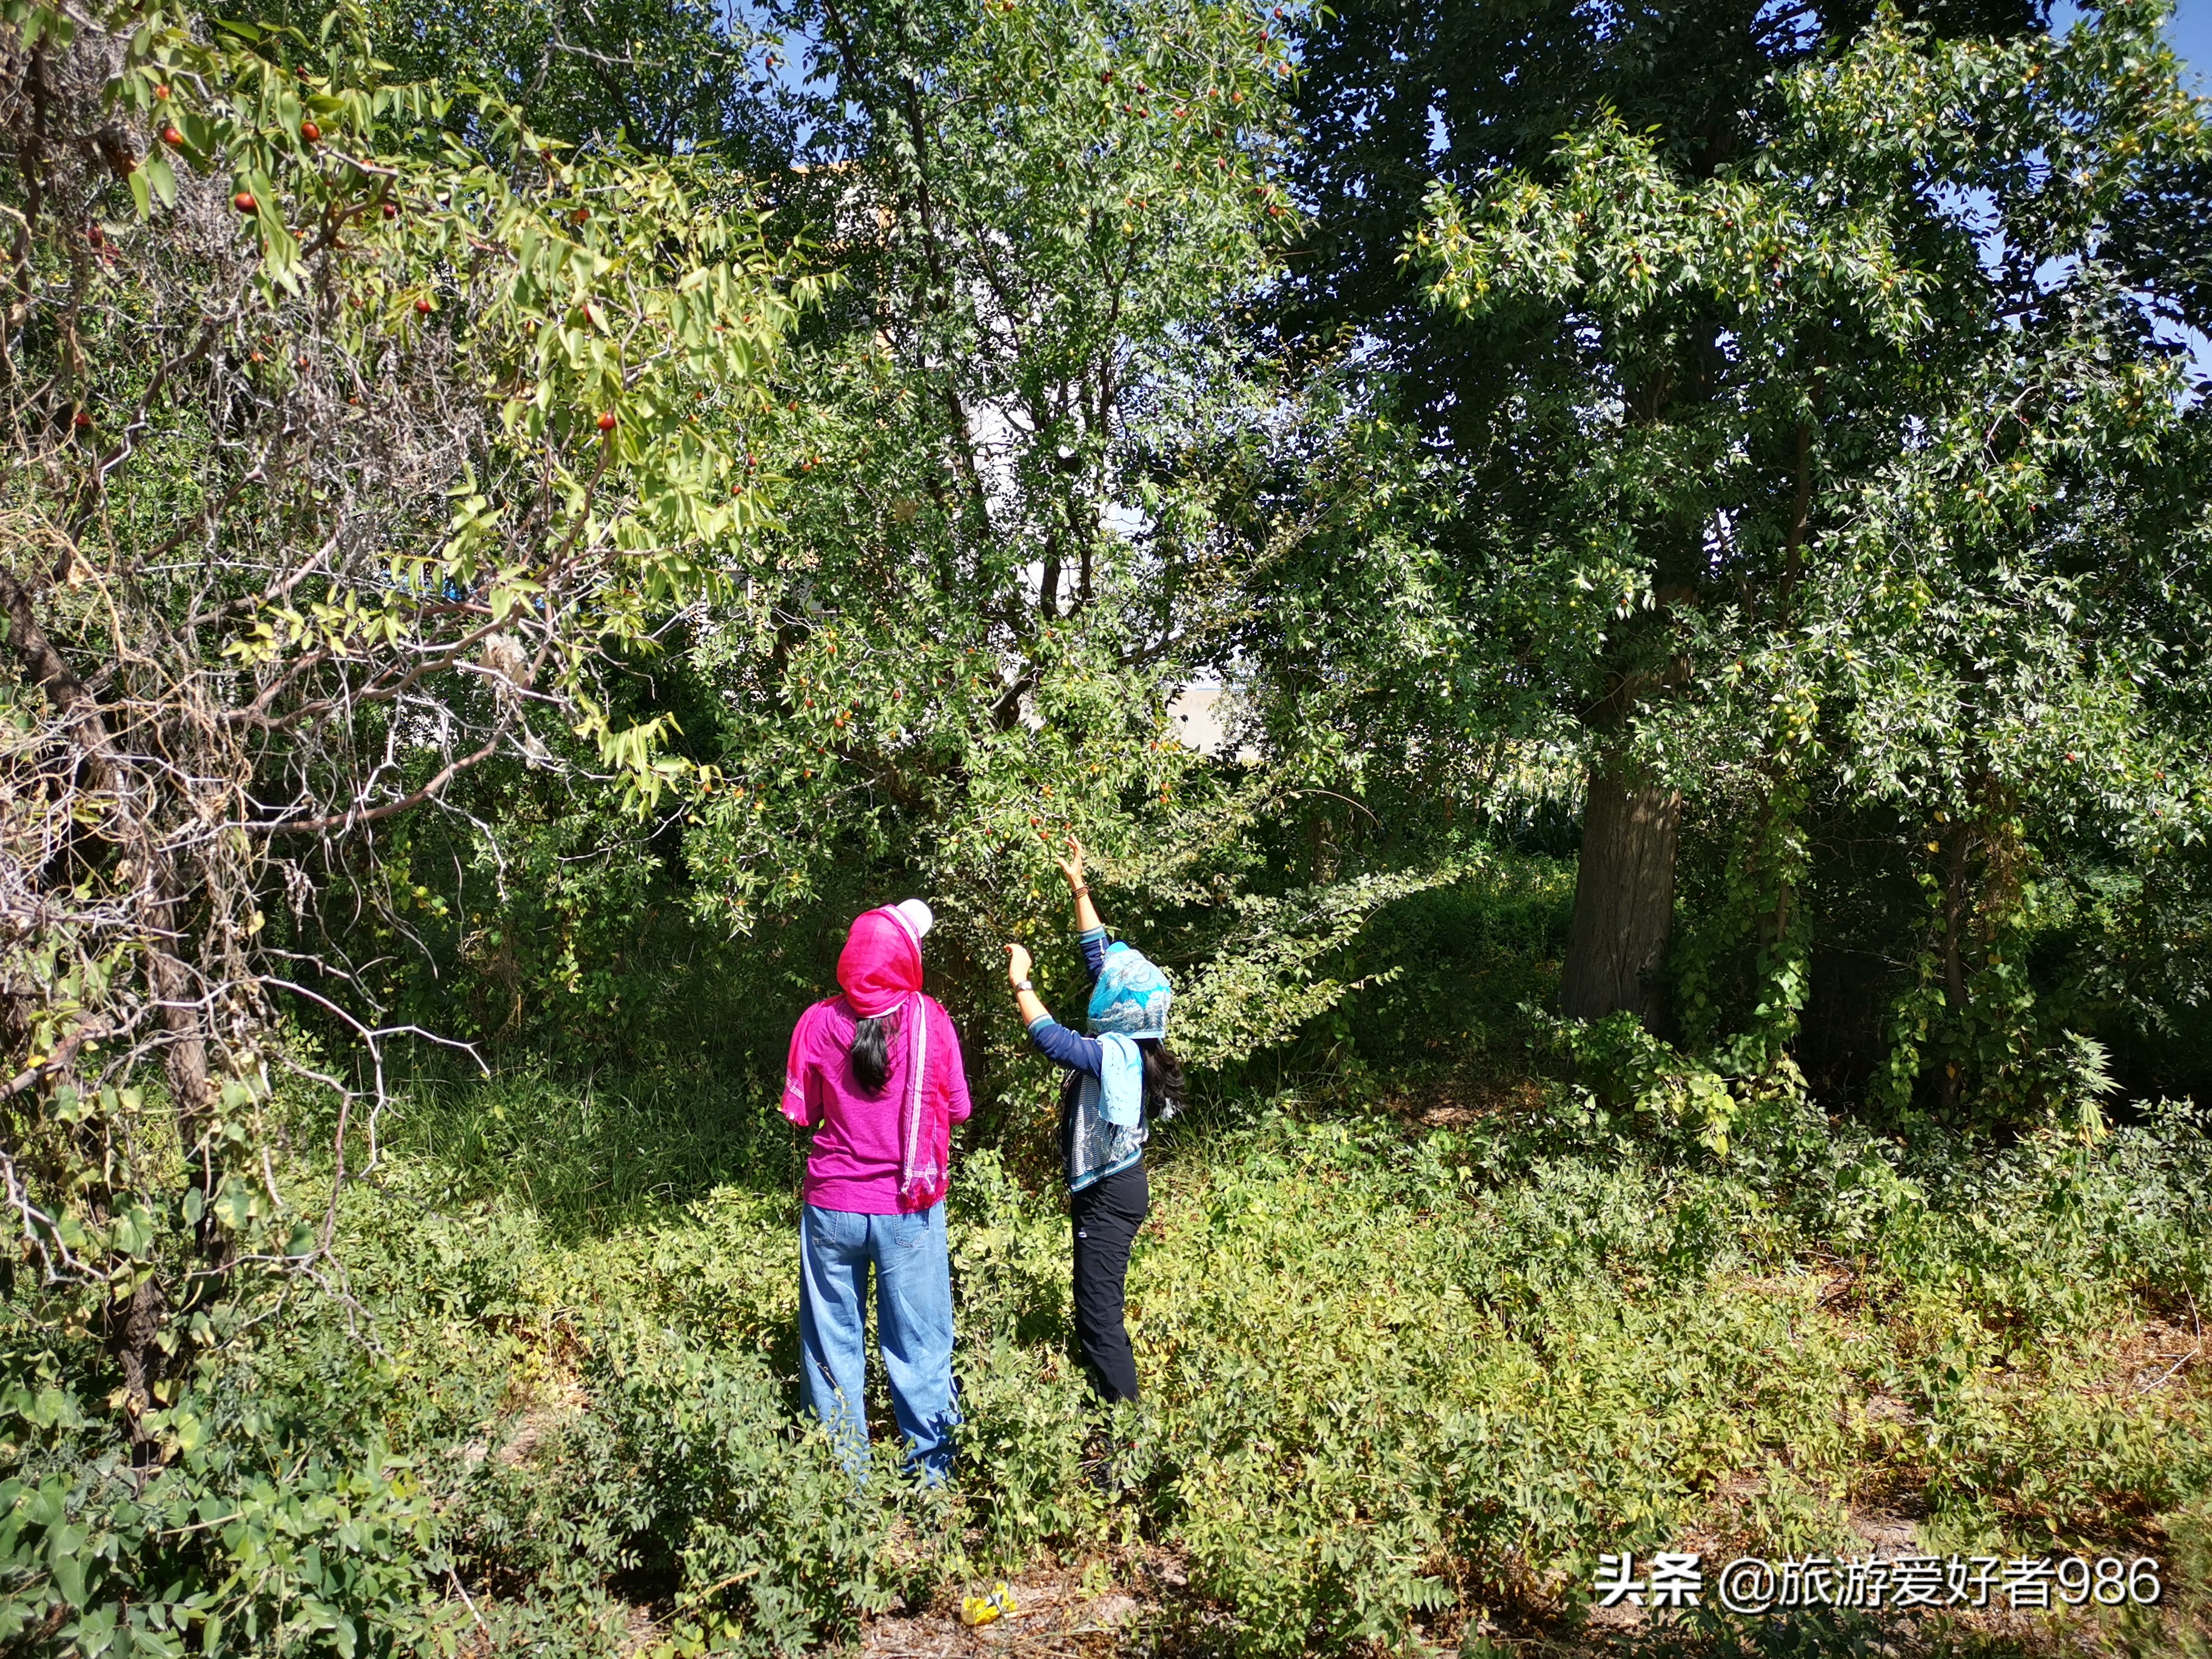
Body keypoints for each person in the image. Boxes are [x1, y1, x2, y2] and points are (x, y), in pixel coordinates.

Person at [782, 899, 971, 1481]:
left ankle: (847, 1484)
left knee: (832, 1345)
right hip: (908, 1210)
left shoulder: (817, 1022)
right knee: (920, 1343)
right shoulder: (931, 1021)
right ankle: (931, 1480)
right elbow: (959, 1110)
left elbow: (803, 1114)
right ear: (906, 959)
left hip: (833, 1207)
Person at [1003, 838, 1182, 1406]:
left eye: (1109, 988)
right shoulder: (1139, 1038)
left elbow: (1052, 1040)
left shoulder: (1116, 1056)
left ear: (1118, 1008)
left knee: (1098, 1319)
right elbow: (1100, 957)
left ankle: (1125, 1436)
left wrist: (1021, 981)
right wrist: (1079, 885)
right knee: (1094, 1309)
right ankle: (1109, 1415)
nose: (1101, 980)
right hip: (1111, 1188)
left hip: (1110, 1195)